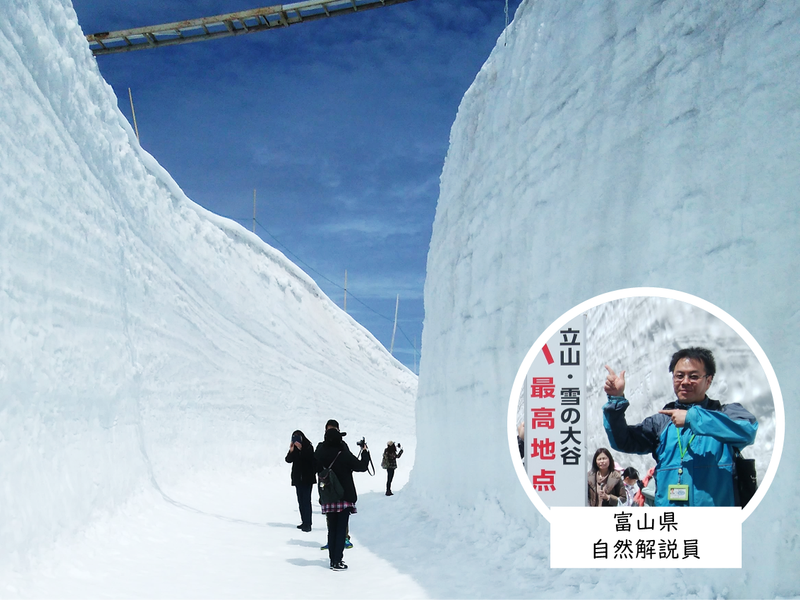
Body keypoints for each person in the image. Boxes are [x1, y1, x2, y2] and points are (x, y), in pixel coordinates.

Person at [603, 346, 758, 507]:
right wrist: (616, 400)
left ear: (708, 380)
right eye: (679, 376)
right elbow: (623, 441)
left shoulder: (726, 414)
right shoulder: (661, 422)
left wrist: (693, 418)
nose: (685, 382)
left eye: (693, 376)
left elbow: (748, 430)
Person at [314, 419, 370, 571]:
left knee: (332, 529)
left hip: (328, 497)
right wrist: (365, 451)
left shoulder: (320, 452)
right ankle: (337, 561)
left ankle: (333, 559)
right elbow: (362, 467)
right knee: (341, 530)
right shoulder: (343, 453)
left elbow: (313, 467)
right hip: (344, 497)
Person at [284, 430, 316, 532]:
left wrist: (301, 449)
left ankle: (308, 523)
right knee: (300, 501)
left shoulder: (308, 447)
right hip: (298, 479)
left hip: (307, 479)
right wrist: (291, 450)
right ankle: (303, 521)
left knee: (306, 501)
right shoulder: (295, 450)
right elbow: (288, 460)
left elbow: (309, 459)